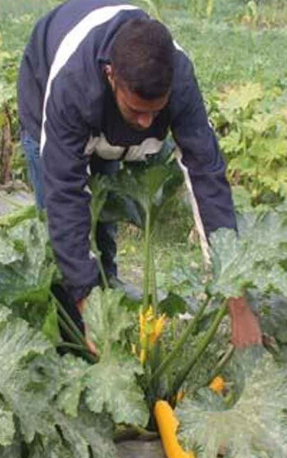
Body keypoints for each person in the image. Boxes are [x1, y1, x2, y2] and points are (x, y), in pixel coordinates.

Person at [17, 0, 262, 348]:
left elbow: (207, 175)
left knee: (103, 224)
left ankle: (108, 307)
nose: (147, 123)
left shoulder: (180, 79)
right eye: (136, 110)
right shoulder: (71, 86)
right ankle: (73, 342)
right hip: (44, 87)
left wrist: (238, 303)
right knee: (62, 235)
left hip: (105, 119)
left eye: (155, 112)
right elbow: (64, 194)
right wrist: (88, 306)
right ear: (110, 75)